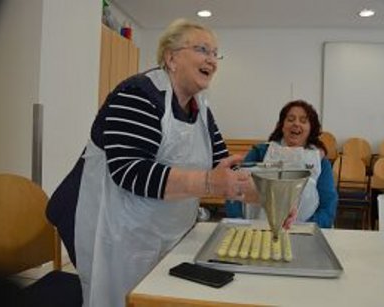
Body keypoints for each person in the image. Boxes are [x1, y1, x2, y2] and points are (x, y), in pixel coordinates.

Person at [46, 19, 260, 307]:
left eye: (215, 53)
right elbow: (131, 171)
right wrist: (208, 182)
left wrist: (269, 194)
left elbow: (224, 165)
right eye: (202, 49)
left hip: (154, 228)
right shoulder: (139, 93)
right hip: (108, 226)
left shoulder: (201, 109)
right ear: (171, 58)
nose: (212, 59)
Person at [225, 100, 338, 228]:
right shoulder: (260, 153)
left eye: (303, 120)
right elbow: (235, 190)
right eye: (290, 119)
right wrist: (239, 222)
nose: (296, 123)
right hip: (256, 231)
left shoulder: (320, 160)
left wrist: (306, 228)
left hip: (303, 233)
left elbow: (328, 206)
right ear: (281, 125)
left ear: (311, 128)